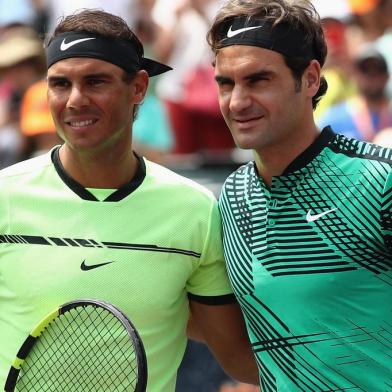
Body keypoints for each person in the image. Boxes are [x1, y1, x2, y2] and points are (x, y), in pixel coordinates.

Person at [0, 9, 258, 392]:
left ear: (138, 87)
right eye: (59, 84)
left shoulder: (194, 211)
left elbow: (239, 357)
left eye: (95, 82)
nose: (75, 100)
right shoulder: (5, 196)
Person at [207, 0, 392, 391]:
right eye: (226, 83)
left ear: (310, 79)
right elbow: (257, 355)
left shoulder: (381, 181)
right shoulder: (232, 196)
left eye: (258, 80)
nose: (237, 102)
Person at [317, 44, 392, 141]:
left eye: (378, 71)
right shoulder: (334, 117)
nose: (372, 76)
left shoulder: (389, 113)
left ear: (387, 76)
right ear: (355, 75)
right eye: (365, 70)